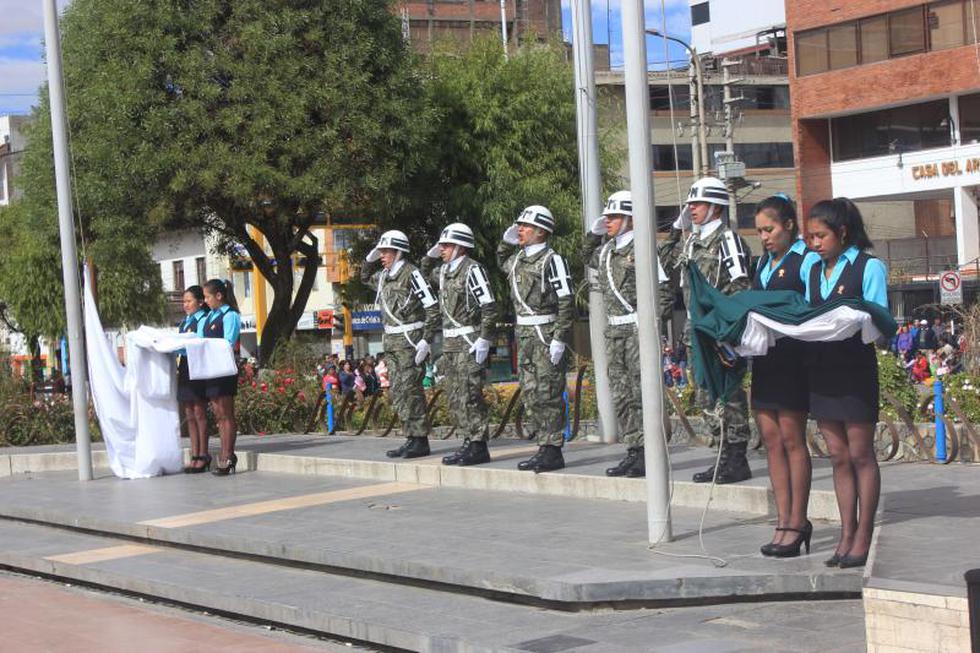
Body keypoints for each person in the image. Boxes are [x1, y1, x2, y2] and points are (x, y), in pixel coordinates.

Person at [804, 198, 889, 568]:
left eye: (821, 236)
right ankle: (845, 531)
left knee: (860, 454)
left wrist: (853, 319)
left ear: (842, 233)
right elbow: (807, 315)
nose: (814, 243)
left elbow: (879, 319)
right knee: (837, 456)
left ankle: (864, 533)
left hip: (855, 367)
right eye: (810, 237)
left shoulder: (869, 267)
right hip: (822, 369)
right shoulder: (813, 271)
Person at [660, 177, 754, 484]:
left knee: (727, 393)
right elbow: (663, 261)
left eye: (697, 204)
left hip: (717, 328)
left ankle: (736, 457)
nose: (692, 209)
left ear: (715, 207)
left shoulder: (728, 240)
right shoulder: (691, 241)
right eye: (690, 204)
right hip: (694, 329)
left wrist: (727, 330)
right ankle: (722, 454)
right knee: (704, 396)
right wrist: (676, 229)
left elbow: (740, 286)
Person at [750, 195, 820, 558]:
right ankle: (781, 519)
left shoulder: (806, 261)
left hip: (794, 357)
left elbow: (812, 310)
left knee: (793, 439)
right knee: (771, 439)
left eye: (770, 229)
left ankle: (798, 519)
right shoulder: (762, 263)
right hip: (764, 357)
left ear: (789, 225)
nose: (764, 236)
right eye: (760, 230)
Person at [582, 191, 656, 477]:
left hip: (636, 328)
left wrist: (652, 328)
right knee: (622, 394)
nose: (608, 222)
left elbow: (660, 288)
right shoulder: (606, 251)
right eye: (607, 217)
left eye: (613, 217)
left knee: (641, 392)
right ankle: (634, 449)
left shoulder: (643, 247)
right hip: (614, 330)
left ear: (630, 218)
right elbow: (586, 256)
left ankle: (647, 451)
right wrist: (593, 234)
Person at [498, 205, 574, 473]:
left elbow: (566, 300)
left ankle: (553, 449)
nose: (520, 229)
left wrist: (560, 338)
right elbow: (501, 260)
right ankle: (543, 446)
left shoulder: (552, 260)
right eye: (519, 225)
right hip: (525, 335)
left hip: (545, 333)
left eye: (526, 226)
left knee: (549, 393)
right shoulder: (518, 260)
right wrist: (508, 239)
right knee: (531, 393)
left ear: (541, 231)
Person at [422, 222, 498, 466]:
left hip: (468, 341)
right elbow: (424, 271)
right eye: (441, 245)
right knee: (455, 395)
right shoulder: (443, 271)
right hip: (450, 343)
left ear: (460, 247)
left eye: (446, 245)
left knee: (470, 394)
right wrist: (430, 254)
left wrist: (485, 338)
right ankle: (467, 440)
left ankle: (478, 445)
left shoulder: (472, 269)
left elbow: (489, 306)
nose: (441, 249)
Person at [361, 230, 440, 458]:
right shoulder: (384, 276)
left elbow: (432, 308)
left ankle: (420, 440)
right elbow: (365, 277)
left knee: (411, 390)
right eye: (381, 252)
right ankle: (410, 437)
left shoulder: (412, 274)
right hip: (392, 342)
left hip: (410, 341)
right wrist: (369, 259)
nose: (381, 256)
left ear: (398, 252)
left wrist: (426, 339)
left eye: (385, 252)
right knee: (398, 391)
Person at [198, 279, 242, 476]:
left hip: (223, 370)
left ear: (219, 296)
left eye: (207, 297)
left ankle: (228, 455)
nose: (205, 301)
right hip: (210, 370)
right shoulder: (209, 317)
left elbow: (229, 342)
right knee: (217, 414)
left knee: (226, 414)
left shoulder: (230, 315)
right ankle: (224, 453)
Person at [177, 285, 211, 473]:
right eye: (184, 302)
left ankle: (203, 454)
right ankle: (194, 453)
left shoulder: (203, 320)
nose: (186, 305)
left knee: (199, 412)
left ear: (200, 302)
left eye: (189, 301)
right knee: (189, 413)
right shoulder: (184, 322)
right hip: (184, 366)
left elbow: (200, 342)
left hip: (197, 366)